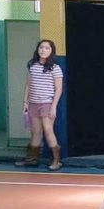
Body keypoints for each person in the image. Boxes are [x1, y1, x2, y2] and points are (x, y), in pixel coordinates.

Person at [16, 40, 64, 170]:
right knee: (35, 132)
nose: (43, 50)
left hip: (47, 103)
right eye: (41, 47)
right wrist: (25, 102)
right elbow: (28, 85)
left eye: (47, 48)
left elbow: (59, 89)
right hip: (33, 103)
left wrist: (53, 106)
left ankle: (56, 160)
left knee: (48, 131)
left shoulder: (55, 68)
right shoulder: (33, 66)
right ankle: (32, 159)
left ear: (51, 51)